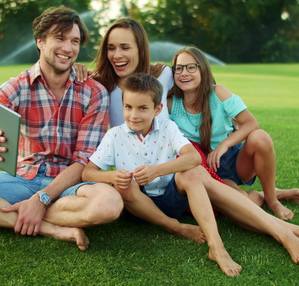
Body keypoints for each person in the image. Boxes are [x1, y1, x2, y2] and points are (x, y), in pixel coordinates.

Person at [0, 6, 123, 251]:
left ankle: (0, 214)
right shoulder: (16, 87)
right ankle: (48, 227)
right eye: (59, 38)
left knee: (109, 204)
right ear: (40, 41)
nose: (68, 48)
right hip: (23, 177)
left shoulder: (94, 92)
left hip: (69, 184)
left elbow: (83, 161)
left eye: (74, 41)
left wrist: (42, 198)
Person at [82, 73, 242, 277]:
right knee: (124, 184)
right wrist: (111, 177)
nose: (134, 115)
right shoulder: (114, 135)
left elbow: (194, 158)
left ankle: (216, 246)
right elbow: (88, 172)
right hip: (137, 208)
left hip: (171, 199)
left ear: (158, 109)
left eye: (142, 108)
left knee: (190, 174)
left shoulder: (168, 128)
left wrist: (156, 171)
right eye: (128, 107)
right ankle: (174, 227)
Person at [168, 45, 299, 220]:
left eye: (191, 67)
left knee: (260, 137)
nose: (184, 73)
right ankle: (266, 195)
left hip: (233, 160)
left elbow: (251, 123)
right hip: (206, 170)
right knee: (241, 204)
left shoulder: (218, 93)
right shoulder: (171, 105)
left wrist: (224, 145)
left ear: (203, 70)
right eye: (178, 68)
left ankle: (272, 200)